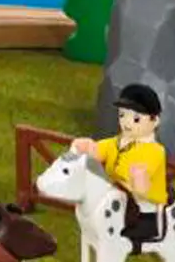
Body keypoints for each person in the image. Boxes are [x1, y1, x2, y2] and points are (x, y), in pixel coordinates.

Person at [71, 83, 167, 245]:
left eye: (136, 119)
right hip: (116, 196)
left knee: (140, 208)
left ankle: (147, 228)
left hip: (143, 204)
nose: (127, 123)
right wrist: (87, 148)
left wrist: (138, 177)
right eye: (122, 115)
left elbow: (142, 183)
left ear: (154, 120)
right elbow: (98, 151)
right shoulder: (116, 142)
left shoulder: (154, 150)